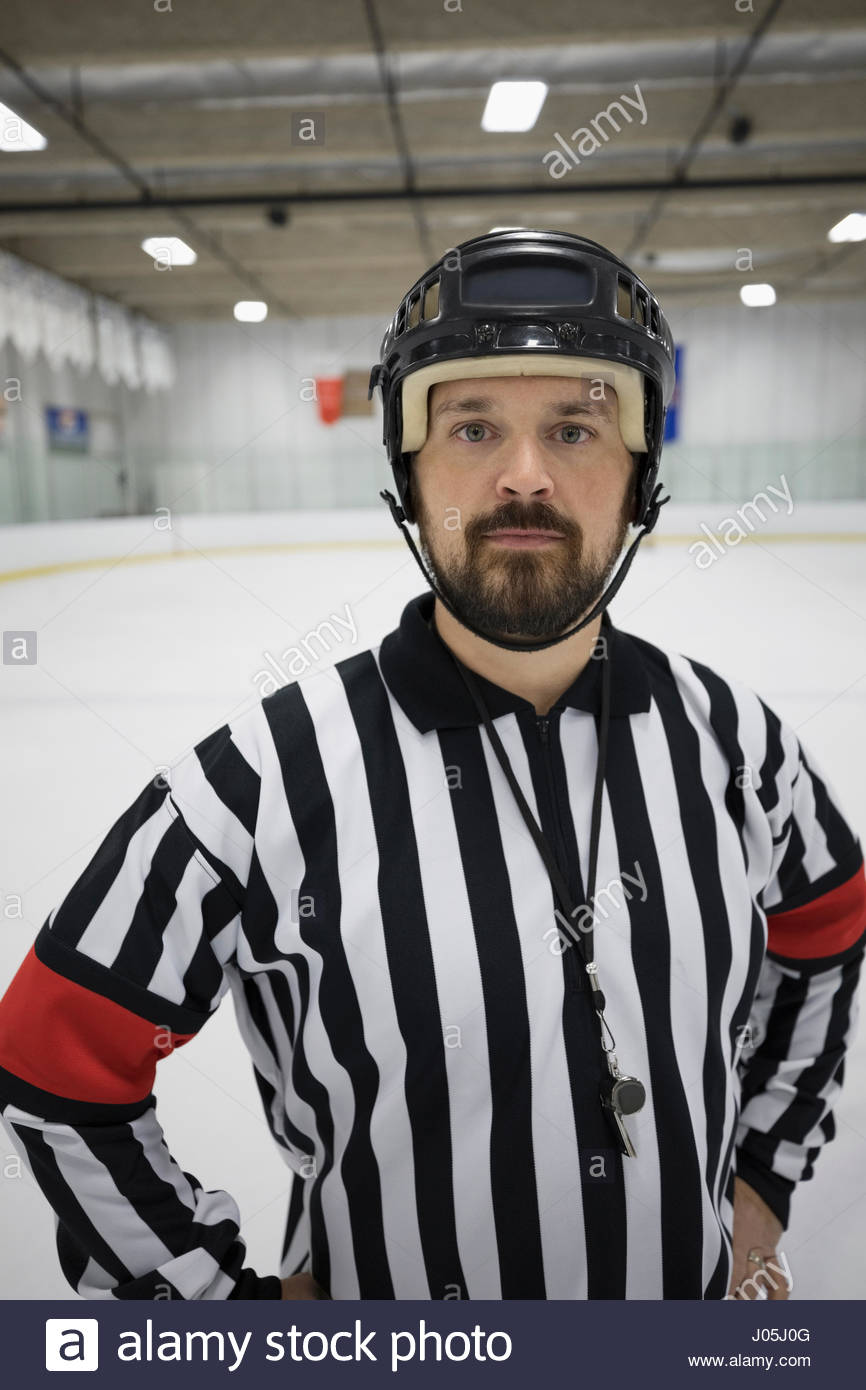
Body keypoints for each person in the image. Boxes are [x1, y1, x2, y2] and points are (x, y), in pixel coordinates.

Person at [0, 229, 863, 1302]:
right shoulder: (260, 778)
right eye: (471, 427)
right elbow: (53, 1051)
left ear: (641, 474)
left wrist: (762, 1176)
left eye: (575, 427)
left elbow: (825, 930)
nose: (523, 475)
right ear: (407, 473)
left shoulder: (736, 742)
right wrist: (217, 1313)